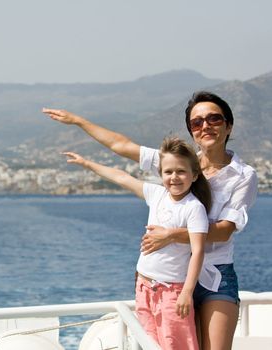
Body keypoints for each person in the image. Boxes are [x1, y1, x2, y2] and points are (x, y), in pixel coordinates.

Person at [43, 90, 258, 350]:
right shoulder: (181, 164)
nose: (205, 126)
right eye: (197, 122)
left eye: (214, 119)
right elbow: (122, 147)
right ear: (191, 131)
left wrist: (170, 234)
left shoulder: (244, 176)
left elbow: (224, 231)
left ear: (228, 125)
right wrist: (78, 121)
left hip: (216, 277)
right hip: (172, 281)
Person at [64, 136, 210, 349]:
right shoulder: (157, 194)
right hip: (143, 287)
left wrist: (187, 293)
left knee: (176, 345)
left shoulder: (193, 208)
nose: (174, 177)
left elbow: (198, 251)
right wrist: (86, 163)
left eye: (181, 171)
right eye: (168, 172)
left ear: (194, 175)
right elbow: (122, 177)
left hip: (171, 291)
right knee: (148, 343)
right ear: (161, 175)